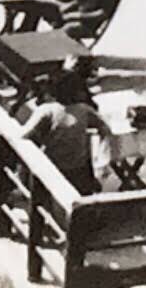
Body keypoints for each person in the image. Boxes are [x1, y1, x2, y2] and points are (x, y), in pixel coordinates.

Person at [21, 63, 110, 195]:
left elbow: (23, 135)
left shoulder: (47, 110)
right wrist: (102, 158)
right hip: (76, 168)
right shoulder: (84, 110)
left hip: (54, 167)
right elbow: (105, 129)